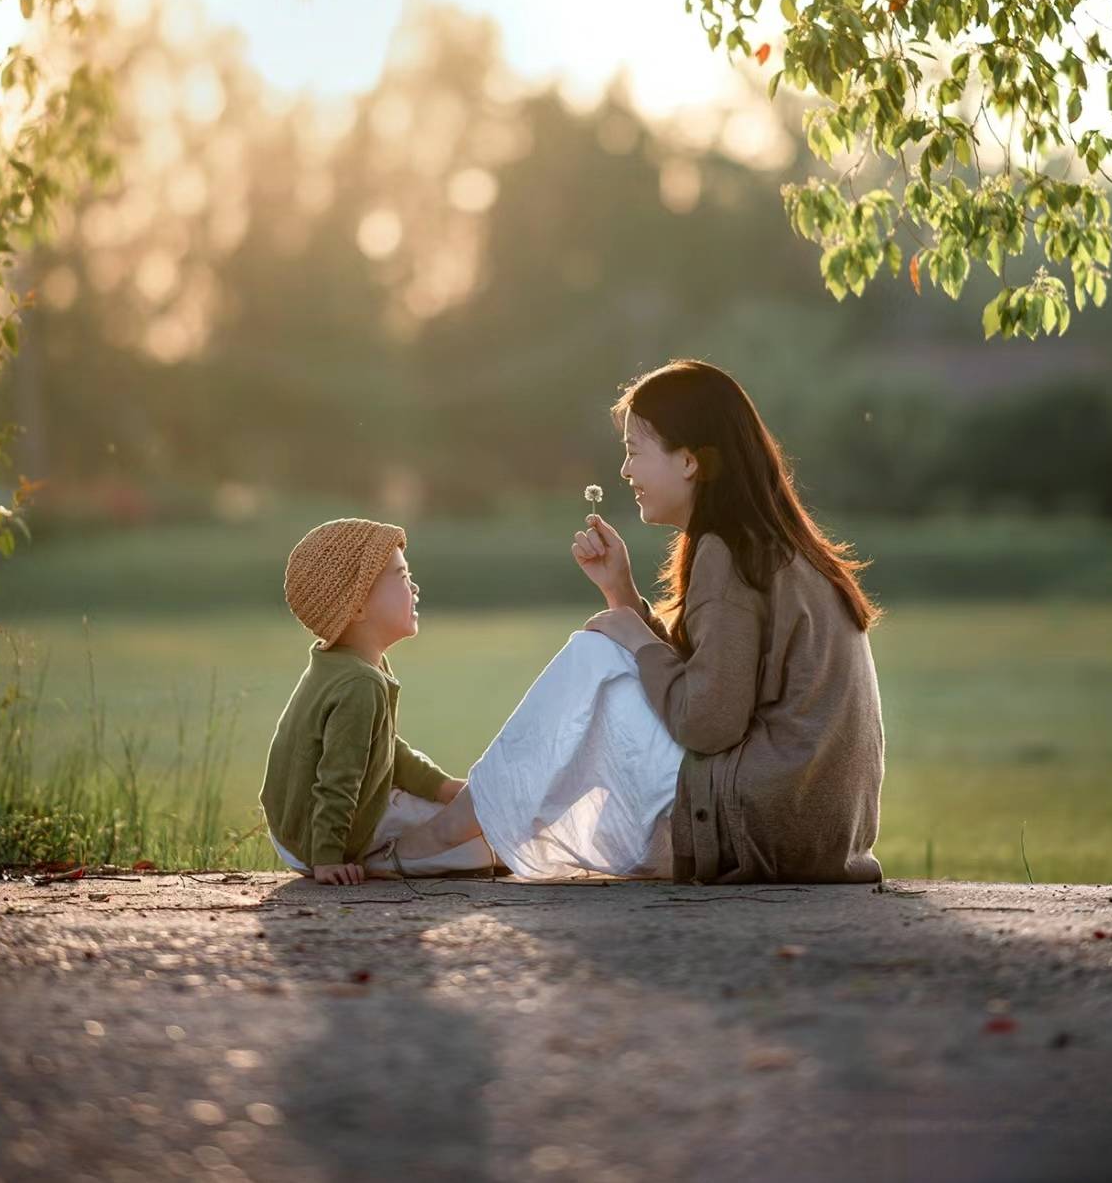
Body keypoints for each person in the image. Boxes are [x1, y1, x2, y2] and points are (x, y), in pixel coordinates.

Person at [372, 359, 886, 885]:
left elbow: (708, 725)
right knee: (612, 651)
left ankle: (446, 833)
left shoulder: (728, 553)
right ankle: (473, 824)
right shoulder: (772, 547)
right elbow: (717, 684)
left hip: (764, 826)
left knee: (595, 655)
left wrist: (633, 633)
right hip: (809, 830)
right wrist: (623, 596)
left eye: (634, 451)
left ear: (688, 461)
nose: (625, 471)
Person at [258, 517, 495, 883]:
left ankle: (419, 838)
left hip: (296, 825)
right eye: (401, 577)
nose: (414, 587)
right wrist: (327, 858)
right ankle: (386, 858)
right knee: (493, 835)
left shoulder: (345, 664)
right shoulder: (359, 682)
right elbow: (339, 776)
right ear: (356, 609)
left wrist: (442, 786)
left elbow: (382, 750)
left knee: (474, 814)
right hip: (316, 837)